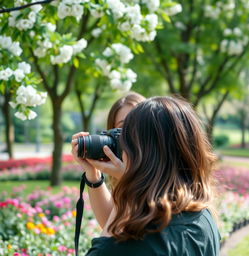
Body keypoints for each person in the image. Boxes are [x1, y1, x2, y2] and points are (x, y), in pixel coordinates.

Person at [71, 96, 220, 256]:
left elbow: (106, 248)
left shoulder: (127, 246)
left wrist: (130, 183)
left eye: (127, 137)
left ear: (143, 152)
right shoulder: (204, 220)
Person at [71, 92, 145, 229]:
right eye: (122, 129)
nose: (131, 134)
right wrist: (93, 174)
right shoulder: (120, 172)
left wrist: (128, 179)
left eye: (136, 126)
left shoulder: (165, 173)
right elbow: (109, 225)